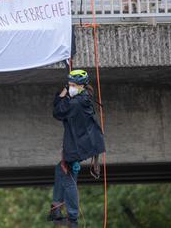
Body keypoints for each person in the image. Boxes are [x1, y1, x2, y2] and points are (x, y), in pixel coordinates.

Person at [47, 70, 106, 227]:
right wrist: (68, 90)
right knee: (61, 169)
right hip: (85, 143)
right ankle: (57, 208)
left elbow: (57, 111)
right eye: (69, 85)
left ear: (81, 86)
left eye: (73, 85)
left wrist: (64, 92)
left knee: (67, 176)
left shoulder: (76, 102)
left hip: (78, 145)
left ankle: (72, 218)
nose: (71, 88)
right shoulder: (84, 97)